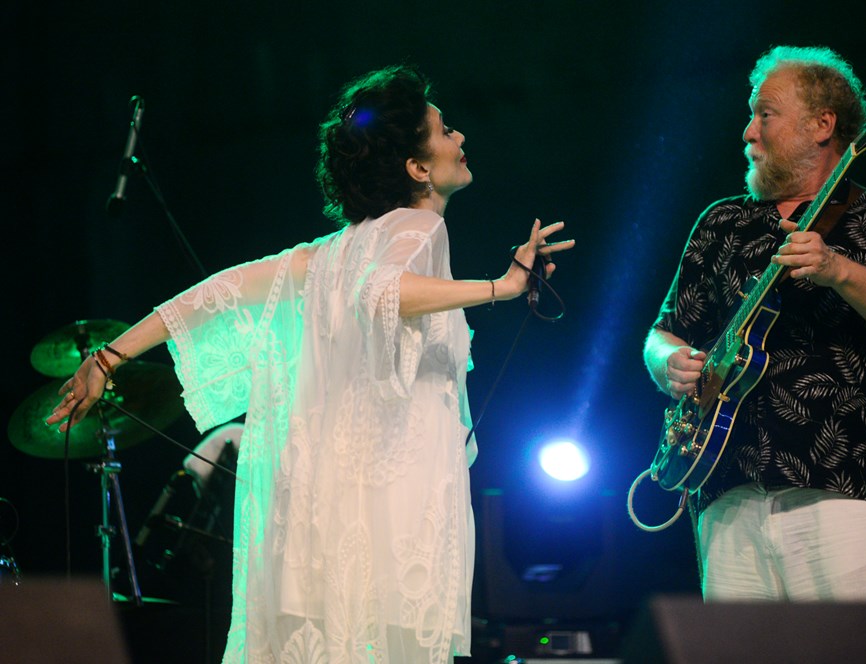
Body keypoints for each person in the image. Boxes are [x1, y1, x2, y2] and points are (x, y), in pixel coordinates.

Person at [46, 64, 574, 663]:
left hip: (317, 526)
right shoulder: (421, 226)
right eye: (445, 129)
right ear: (418, 168)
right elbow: (382, 292)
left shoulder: (329, 253)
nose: (460, 137)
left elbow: (216, 293)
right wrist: (504, 287)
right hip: (387, 520)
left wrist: (110, 356)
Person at [642, 45, 866, 601]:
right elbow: (664, 331)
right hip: (727, 492)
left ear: (822, 125)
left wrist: (838, 270)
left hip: (847, 486)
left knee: (864, 644)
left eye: (765, 114)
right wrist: (668, 363)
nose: (748, 133)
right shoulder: (723, 221)